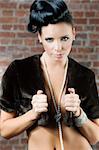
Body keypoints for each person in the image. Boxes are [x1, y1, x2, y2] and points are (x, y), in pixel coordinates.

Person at [0, 0, 99, 150]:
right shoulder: (19, 71)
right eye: (49, 39)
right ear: (39, 37)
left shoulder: (84, 76)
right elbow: (5, 131)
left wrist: (79, 113)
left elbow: (95, 137)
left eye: (64, 38)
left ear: (74, 33)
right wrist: (33, 114)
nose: (58, 47)